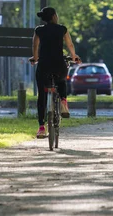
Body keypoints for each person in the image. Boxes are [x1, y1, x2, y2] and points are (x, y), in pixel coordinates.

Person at [29, 7, 81, 139]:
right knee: (61, 80)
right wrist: (74, 56)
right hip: (59, 64)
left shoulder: (39, 30)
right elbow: (70, 45)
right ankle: (63, 101)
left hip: (44, 65)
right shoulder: (62, 29)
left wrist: (35, 58)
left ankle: (41, 128)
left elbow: (35, 46)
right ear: (53, 16)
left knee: (42, 94)